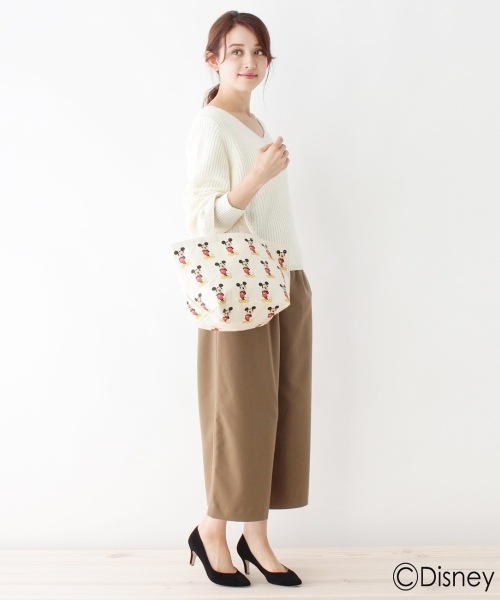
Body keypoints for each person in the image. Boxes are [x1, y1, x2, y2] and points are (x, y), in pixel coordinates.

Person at [182, 11, 313, 587]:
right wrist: (257, 177)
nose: (250, 61)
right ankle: (213, 529)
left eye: (259, 51)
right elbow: (201, 218)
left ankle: (255, 536)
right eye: (236, 50)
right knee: (242, 416)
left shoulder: (254, 125)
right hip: (241, 287)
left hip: (286, 277)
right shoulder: (211, 124)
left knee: (279, 413)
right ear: (213, 59)